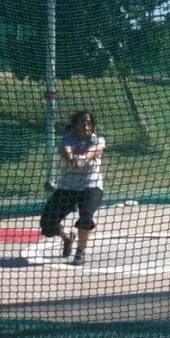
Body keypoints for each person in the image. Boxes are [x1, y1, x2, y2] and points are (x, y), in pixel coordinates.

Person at [39, 110, 105, 266]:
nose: (86, 125)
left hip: (91, 185)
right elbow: (66, 151)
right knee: (47, 225)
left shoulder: (98, 140)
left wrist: (82, 157)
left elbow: (94, 151)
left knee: (85, 217)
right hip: (67, 187)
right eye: (82, 122)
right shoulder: (67, 139)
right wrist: (71, 158)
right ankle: (67, 237)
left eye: (89, 122)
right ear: (75, 125)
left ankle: (80, 253)